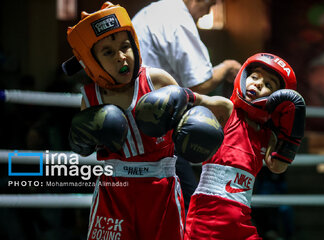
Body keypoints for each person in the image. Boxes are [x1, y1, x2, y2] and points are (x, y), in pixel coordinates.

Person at [64, 2, 228, 239]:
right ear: (92, 60)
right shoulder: (90, 98)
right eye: (108, 52)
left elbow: (205, 103)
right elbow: (83, 145)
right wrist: (80, 139)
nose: (121, 57)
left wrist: (217, 108)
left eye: (125, 46)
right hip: (114, 192)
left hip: (160, 189)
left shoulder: (156, 80)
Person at [132, 0, 242, 213]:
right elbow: (198, 82)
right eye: (208, 5)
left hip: (137, 126)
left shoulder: (154, 11)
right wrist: (228, 67)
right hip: (158, 129)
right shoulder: (177, 17)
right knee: (189, 207)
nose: (208, 12)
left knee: (153, 208)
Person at [184, 53, 306, 240]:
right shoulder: (227, 110)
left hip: (241, 219)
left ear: (278, 98)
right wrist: (173, 94)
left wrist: (291, 135)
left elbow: (278, 166)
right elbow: (196, 99)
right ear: (243, 76)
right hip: (207, 216)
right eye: (255, 77)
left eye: (268, 85)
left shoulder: (267, 135)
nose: (257, 84)